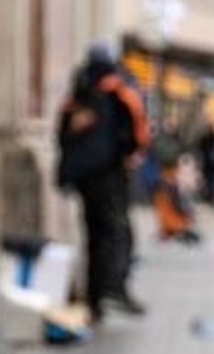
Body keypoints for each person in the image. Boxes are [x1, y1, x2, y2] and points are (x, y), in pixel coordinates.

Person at [56, 41, 151, 320]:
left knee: (94, 234)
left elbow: (63, 134)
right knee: (117, 231)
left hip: (85, 177)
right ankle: (113, 288)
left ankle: (96, 297)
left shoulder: (78, 93)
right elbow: (138, 133)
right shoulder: (119, 91)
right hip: (110, 174)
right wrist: (129, 154)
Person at [197, 125, 214, 206]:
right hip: (210, 163)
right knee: (211, 181)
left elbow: (200, 150)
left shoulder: (210, 138)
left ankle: (212, 197)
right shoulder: (213, 138)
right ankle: (211, 197)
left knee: (211, 181)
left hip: (211, 163)